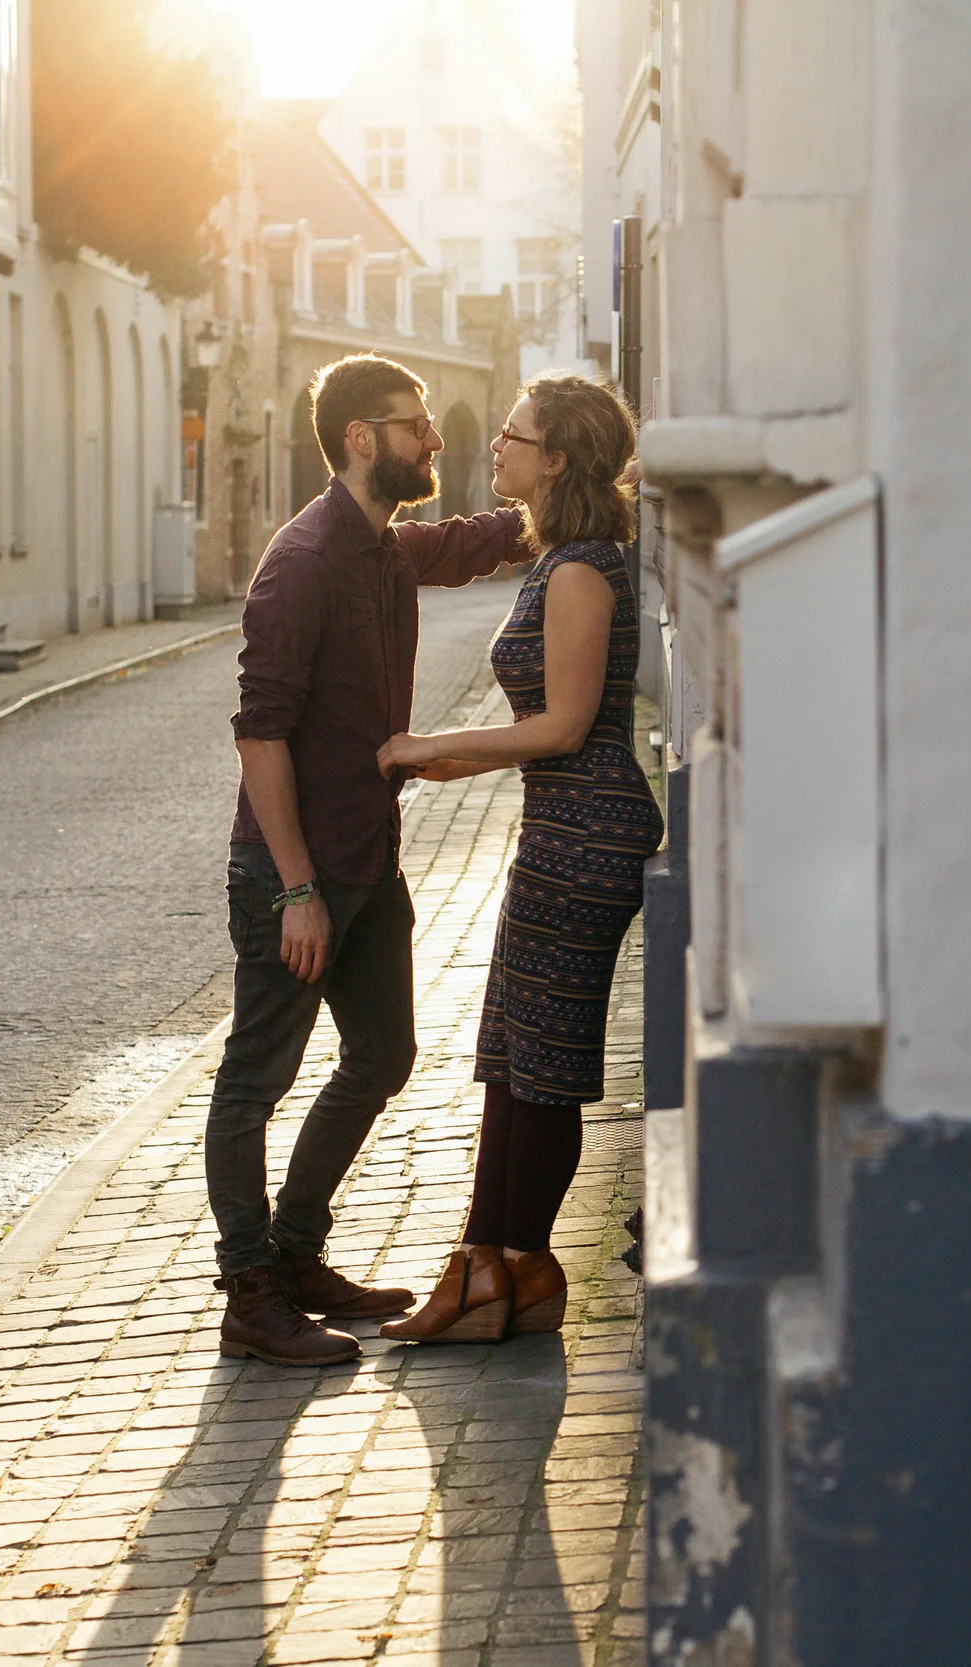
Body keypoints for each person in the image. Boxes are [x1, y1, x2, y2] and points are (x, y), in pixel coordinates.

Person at [210, 354, 529, 1366]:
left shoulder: (384, 547)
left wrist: (582, 483)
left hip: (368, 859)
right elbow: (261, 736)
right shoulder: (301, 563)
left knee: (382, 1054)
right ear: (361, 439)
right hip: (292, 873)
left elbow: (478, 541)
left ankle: (299, 1253)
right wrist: (297, 888)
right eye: (413, 423)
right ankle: (250, 1294)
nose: (433, 438)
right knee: (253, 1082)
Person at [373, 372, 661, 1343]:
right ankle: (488, 1265)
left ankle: (514, 1269)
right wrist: (454, 762)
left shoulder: (581, 567)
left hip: (588, 830)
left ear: (560, 459)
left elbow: (568, 723)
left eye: (514, 435)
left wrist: (429, 743)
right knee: (508, 1049)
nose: (494, 446)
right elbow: (546, 728)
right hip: (562, 821)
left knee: (541, 1058)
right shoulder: (558, 558)